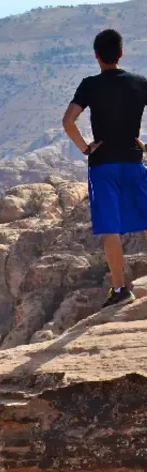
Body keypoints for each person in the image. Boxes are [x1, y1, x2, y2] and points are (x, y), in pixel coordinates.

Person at [63, 29, 147, 308]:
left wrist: (86, 148)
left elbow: (68, 121)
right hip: (133, 160)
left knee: (110, 228)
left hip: (103, 165)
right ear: (121, 53)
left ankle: (120, 288)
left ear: (97, 56)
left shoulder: (90, 85)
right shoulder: (139, 83)